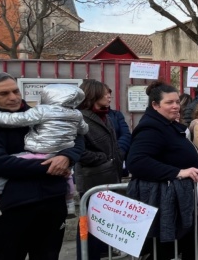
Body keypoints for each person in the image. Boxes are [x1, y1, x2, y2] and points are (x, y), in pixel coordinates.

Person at [0, 72, 84, 259]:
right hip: (12, 207)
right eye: (3, 94)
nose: (13, 97)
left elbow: (77, 138)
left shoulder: (39, 113)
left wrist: (67, 156)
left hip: (53, 202)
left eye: (16, 91)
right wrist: (51, 166)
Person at [126, 81, 198, 260]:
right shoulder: (151, 128)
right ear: (155, 105)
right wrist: (178, 172)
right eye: (169, 103)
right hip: (164, 202)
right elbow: (137, 161)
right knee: (164, 250)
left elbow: (168, 151)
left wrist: (197, 157)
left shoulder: (165, 124)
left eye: (177, 101)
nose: (176, 106)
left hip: (177, 199)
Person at [75, 80, 124, 260]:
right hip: (91, 180)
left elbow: (114, 143)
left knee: (104, 228)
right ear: (92, 95)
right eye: (105, 93)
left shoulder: (107, 116)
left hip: (111, 177)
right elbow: (78, 152)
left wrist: (116, 157)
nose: (109, 96)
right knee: (87, 227)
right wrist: (104, 159)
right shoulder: (79, 118)